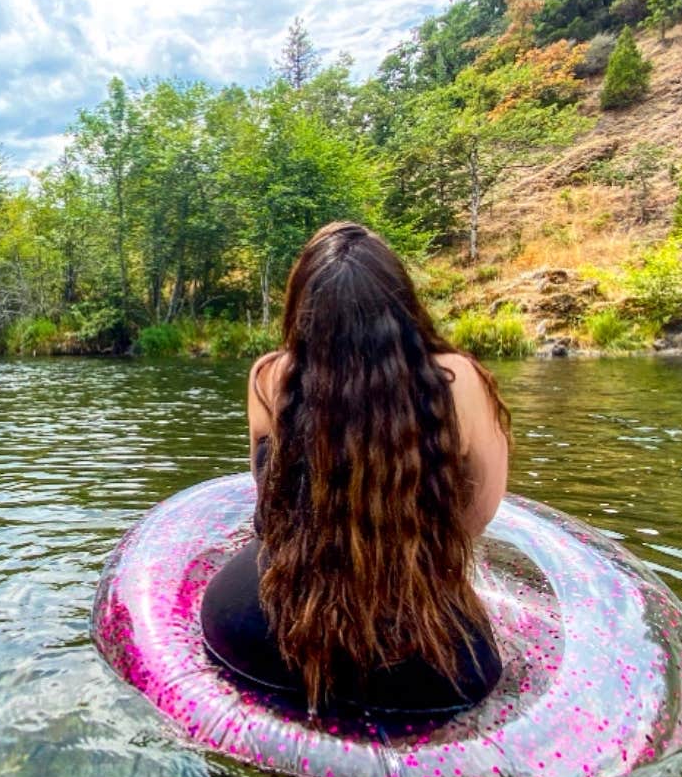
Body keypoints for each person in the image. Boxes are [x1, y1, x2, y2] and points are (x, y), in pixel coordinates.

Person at [200, 222, 510, 717]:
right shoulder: (461, 382)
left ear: (301, 309)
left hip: (256, 624)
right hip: (421, 656)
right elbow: (480, 511)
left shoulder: (269, 376)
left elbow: (268, 502)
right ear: (402, 306)